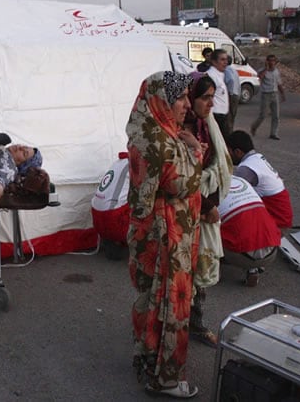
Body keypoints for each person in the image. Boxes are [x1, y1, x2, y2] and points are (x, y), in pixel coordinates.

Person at [126, 70, 203, 399]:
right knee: (170, 305)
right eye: (181, 98)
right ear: (162, 101)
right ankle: (166, 378)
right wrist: (195, 151)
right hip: (166, 239)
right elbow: (185, 183)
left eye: (187, 97)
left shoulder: (147, 128)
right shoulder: (161, 142)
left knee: (149, 299)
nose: (187, 104)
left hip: (151, 233)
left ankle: (147, 359)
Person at [183, 73, 233, 348]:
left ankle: (195, 324)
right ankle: (182, 325)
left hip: (206, 208)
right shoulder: (183, 130)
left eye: (212, 97)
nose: (210, 103)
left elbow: (215, 167)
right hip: (191, 211)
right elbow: (181, 177)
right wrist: (206, 207)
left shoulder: (206, 126)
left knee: (199, 272)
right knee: (185, 272)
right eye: (205, 97)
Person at [219, 175, 282, 287]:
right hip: (272, 251)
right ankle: (253, 270)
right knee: (253, 226)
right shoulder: (242, 180)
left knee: (207, 226)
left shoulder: (208, 186)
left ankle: (212, 269)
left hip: (238, 256)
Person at [227, 130, 293, 230]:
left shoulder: (246, 169)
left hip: (277, 220)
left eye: (228, 152)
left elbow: (230, 194)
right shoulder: (257, 158)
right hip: (284, 215)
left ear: (238, 152)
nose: (227, 156)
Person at [250, 54, 285, 140]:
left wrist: (282, 93)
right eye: (270, 60)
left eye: (273, 60)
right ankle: (254, 127)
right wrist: (266, 68)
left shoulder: (276, 71)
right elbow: (260, 77)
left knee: (276, 115)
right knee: (263, 115)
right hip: (266, 94)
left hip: (274, 94)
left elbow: (279, 83)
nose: (272, 62)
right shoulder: (262, 70)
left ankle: (274, 133)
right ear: (267, 61)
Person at [205, 49, 230, 136]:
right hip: (216, 116)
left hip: (223, 116)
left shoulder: (219, 75)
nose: (225, 62)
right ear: (214, 62)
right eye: (222, 60)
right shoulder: (211, 75)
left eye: (226, 59)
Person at [224, 55, 241, 135]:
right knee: (232, 114)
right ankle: (230, 131)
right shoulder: (234, 70)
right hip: (236, 94)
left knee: (228, 116)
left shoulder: (226, 70)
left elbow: (230, 81)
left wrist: (229, 93)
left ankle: (228, 133)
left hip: (231, 95)